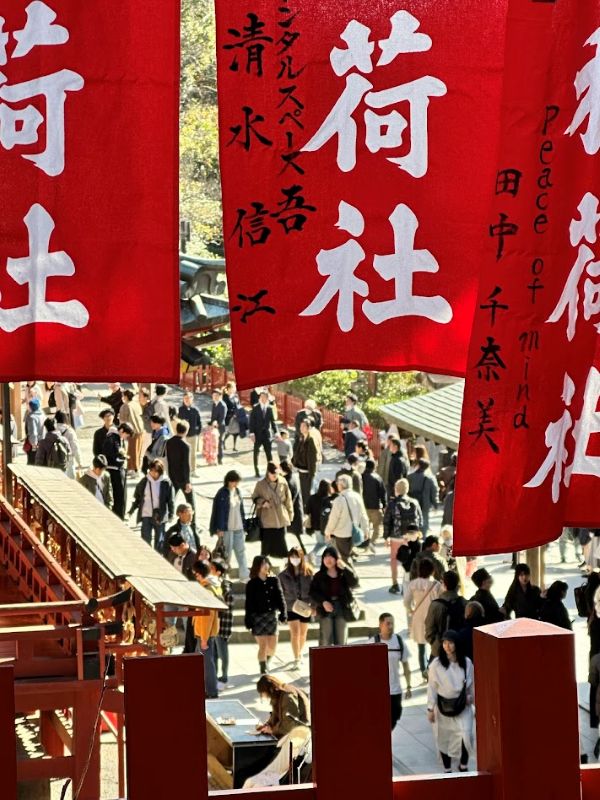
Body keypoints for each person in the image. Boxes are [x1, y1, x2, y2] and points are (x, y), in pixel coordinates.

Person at [427, 631, 475, 773]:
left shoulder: (466, 663)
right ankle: (447, 769)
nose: (447, 646)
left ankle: (463, 765)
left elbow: (472, 684)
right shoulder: (436, 665)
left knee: (466, 735)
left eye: (450, 642)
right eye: (444, 643)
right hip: (443, 706)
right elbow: (432, 687)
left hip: (462, 705)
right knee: (443, 739)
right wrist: (430, 708)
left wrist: (473, 701)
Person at [244, 555, 287, 675]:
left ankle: (266, 661)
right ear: (257, 566)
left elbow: (280, 598)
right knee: (262, 645)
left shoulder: (274, 580)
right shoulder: (252, 584)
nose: (266, 566)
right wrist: (248, 620)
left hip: (271, 616)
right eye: (263, 564)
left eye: (267, 563)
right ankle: (263, 668)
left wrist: (283, 612)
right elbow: (249, 603)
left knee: (272, 647)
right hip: (258, 617)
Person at [369, 613, 412, 730]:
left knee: (394, 717)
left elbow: (406, 666)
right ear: (380, 624)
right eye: (388, 623)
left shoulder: (398, 641)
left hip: (395, 690)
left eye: (392, 623)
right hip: (378, 691)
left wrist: (408, 686)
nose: (390, 626)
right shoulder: (373, 642)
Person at [309, 545, 359, 646]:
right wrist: (323, 602)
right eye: (325, 557)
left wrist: (345, 568)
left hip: (342, 607)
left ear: (336, 558)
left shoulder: (343, 574)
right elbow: (313, 592)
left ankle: (341, 661)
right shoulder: (319, 576)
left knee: (341, 640)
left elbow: (354, 582)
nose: (328, 559)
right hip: (325, 609)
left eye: (331, 556)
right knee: (325, 640)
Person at [383, 478, 423, 594]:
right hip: (411, 536)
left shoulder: (392, 504)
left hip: (396, 536)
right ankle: (408, 584)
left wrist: (386, 537)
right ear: (407, 489)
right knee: (410, 560)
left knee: (394, 560)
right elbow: (420, 520)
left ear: (396, 489)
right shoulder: (414, 502)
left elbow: (387, 521)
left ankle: (395, 584)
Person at [404, 558, 442, 680]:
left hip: (418, 618)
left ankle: (423, 670)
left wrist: (411, 611)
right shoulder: (436, 585)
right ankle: (431, 668)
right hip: (433, 617)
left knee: (421, 647)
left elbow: (406, 602)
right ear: (432, 571)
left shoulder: (413, 584)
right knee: (433, 645)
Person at [210, 470, 249, 581]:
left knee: (241, 551)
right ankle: (224, 574)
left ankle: (244, 574)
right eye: (234, 482)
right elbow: (219, 512)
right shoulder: (222, 493)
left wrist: (244, 525)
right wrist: (219, 528)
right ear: (229, 480)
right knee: (226, 553)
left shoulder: (238, 492)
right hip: (226, 528)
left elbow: (241, 510)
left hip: (239, 527)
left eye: (237, 482)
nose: (236, 484)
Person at [279, 547, 313, 669]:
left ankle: (299, 652)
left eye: (297, 556)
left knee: (303, 633)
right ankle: (296, 658)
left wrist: (313, 605)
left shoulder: (308, 572)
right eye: (292, 557)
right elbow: (280, 592)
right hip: (290, 606)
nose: (295, 559)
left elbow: (314, 590)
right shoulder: (283, 575)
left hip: (305, 606)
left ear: (302, 557)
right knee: (295, 633)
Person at [129, 459, 175, 551]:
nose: (153, 473)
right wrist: (131, 510)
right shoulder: (145, 481)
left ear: (160, 472)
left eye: (156, 471)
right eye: (152, 470)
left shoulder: (166, 483)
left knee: (159, 541)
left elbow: (170, 500)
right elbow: (137, 497)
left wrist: (171, 514)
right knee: (145, 539)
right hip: (146, 514)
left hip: (160, 516)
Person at [192, 560, 222, 698]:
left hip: (205, 633)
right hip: (205, 632)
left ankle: (211, 691)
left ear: (199, 574)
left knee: (207, 665)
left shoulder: (207, 590)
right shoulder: (210, 586)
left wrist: (204, 638)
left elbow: (206, 617)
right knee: (205, 663)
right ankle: (208, 689)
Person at [324, 473, 369, 563]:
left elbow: (333, 519)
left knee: (344, 559)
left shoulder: (339, 500)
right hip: (353, 531)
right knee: (346, 556)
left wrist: (328, 532)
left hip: (341, 533)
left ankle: (352, 576)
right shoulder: (357, 497)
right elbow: (363, 515)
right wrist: (366, 530)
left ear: (341, 485)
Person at [253, 462, 293, 560]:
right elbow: (254, 497)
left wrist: (290, 514)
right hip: (267, 519)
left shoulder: (283, 481)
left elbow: (288, 499)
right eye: (272, 474)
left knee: (281, 543)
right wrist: (262, 502)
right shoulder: (260, 484)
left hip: (281, 516)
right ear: (268, 473)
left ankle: (283, 562)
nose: (275, 476)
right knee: (266, 545)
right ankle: (264, 562)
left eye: (276, 474)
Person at [425, 571, 467, 658]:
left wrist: (437, 644)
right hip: (459, 652)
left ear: (444, 585)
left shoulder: (435, 605)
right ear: (457, 585)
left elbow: (429, 630)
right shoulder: (465, 603)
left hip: (439, 652)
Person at [102, 422, 133, 519]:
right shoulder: (112, 438)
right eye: (126, 435)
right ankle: (119, 516)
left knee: (120, 495)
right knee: (118, 495)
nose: (125, 437)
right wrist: (122, 458)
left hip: (117, 469)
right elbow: (113, 455)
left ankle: (120, 514)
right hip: (114, 470)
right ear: (122, 430)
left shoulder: (115, 437)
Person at [212, 560, 234, 688]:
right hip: (216, 623)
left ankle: (224, 675)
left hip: (222, 624)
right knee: (215, 651)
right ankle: (216, 674)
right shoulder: (216, 584)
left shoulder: (225, 587)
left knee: (222, 650)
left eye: (212, 568)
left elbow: (226, 609)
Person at [165, 420, 195, 508]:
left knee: (171, 498)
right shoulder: (186, 446)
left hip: (172, 475)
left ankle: (168, 515)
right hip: (183, 477)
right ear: (186, 431)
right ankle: (192, 521)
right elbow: (186, 465)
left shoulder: (169, 442)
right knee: (190, 500)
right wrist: (188, 481)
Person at [249, 390, 278, 477]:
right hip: (257, 434)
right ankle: (256, 471)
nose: (262, 398)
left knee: (269, 454)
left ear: (267, 398)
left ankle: (270, 471)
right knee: (256, 453)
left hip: (267, 435)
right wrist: (251, 433)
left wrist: (276, 432)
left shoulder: (270, 408)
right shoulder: (255, 408)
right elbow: (251, 422)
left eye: (264, 397)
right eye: (261, 397)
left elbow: (273, 422)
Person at [292, 420, 319, 511]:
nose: (301, 428)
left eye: (304, 426)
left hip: (307, 471)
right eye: (301, 426)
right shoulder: (301, 438)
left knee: (307, 492)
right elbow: (297, 452)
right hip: (301, 469)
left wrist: (312, 473)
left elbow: (312, 458)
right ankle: (304, 508)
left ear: (308, 428)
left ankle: (308, 510)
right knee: (303, 492)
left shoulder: (310, 440)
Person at [306, 479, 334, 564]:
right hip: (326, 526)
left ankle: (312, 554)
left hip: (316, 526)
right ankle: (329, 560)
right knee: (329, 545)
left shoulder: (312, 498)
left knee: (320, 543)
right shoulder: (329, 500)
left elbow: (307, 511)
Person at [408, 458, 439, 534]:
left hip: (411, 503)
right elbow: (434, 492)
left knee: (412, 521)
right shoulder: (430, 478)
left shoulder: (409, 477)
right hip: (425, 503)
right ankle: (422, 539)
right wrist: (435, 505)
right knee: (424, 522)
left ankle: (412, 538)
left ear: (418, 465)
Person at [280, 460, 305, 551]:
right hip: (295, 511)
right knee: (296, 535)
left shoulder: (287, 481)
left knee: (294, 535)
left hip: (291, 512)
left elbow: (288, 499)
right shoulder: (292, 478)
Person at [120, 389, 145, 475]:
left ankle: (134, 469)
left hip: (131, 430)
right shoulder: (136, 404)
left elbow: (122, 420)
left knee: (131, 451)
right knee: (137, 450)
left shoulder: (125, 406)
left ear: (126, 396)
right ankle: (135, 468)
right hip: (140, 429)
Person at [362, 459, 387, 545]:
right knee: (377, 527)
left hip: (363, 507)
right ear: (374, 466)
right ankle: (372, 542)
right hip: (375, 506)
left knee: (365, 526)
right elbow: (382, 493)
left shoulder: (360, 477)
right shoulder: (378, 478)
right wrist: (384, 505)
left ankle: (365, 542)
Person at [178, 391, 202, 473]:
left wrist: (197, 432)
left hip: (193, 435)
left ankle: (193, 470)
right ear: (183, 399)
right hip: (183, 436)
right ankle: (184, 470)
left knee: (193, 454)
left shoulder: (195, 410)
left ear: (192, 399)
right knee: (183, 454)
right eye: (185, 398)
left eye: (189, 398)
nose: (187, 400)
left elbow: (199, 422)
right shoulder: (180, 410)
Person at [55, 410, 82, 479]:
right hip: (68, 459)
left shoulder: (52, 430)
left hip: (55, 460)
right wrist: (79, 461)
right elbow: (75, 447)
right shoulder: (70, 431)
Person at [23, 398, 45, 465]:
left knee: (32, 463)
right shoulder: (43, 415)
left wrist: (34, 446)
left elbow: (33, 432)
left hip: (34, 445)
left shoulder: (31, 417)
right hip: (43, 443)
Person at [209, 388, 227, 465]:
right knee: (213, 443)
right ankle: (214, 458)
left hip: (220, 427)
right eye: (213, 395)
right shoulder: (214, 404)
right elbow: (213, 416)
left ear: (220, 396)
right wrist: (211, 423)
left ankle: (220, 459)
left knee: (219, 443)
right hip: (214, 426)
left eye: (216, 395)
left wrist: (216, 424)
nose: (215, 397)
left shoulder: (222, 405)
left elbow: (222, 418)